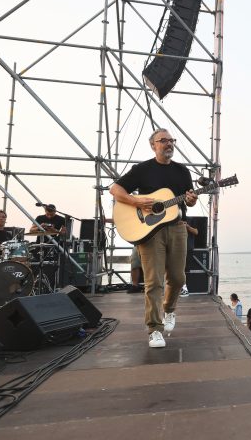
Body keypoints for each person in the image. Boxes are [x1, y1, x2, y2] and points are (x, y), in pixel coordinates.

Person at [110, 128, 197, 348]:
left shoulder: (182, 171)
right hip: (149, 232)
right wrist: (136, 201)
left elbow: (189, 200)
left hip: (177, 227)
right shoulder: (142, 169)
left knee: (178, 278)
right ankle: (154, 329)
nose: (169, 143)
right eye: (163, 140)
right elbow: (115, 189)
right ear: (153, 145)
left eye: (171, 140)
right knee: (153, 282)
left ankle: (169, 309)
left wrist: (192, 199)